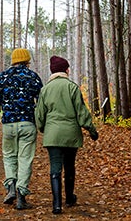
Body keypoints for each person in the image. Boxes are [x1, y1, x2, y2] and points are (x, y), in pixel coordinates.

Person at [34, 55, 98, 215]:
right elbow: (81, 112)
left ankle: (56, 205)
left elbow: (39, 114)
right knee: (69, 166)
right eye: (68, 67)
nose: (69, 70)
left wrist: (43, 129)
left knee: (55, 167)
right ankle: (69, 198)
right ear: (65, 70)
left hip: (53, 135)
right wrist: (91, 130)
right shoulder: (72, 87)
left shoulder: (45, 89)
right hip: (70, 134)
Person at [0, 48, 43, 210]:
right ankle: (21, 195)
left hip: (8, 124)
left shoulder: (2, 77)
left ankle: (11, 187)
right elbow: (41, 102)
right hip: (28, 123)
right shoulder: (33, 77)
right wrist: (41, 122)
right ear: (27, 61)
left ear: (13, 60)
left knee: (9, 156)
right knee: (25, 159)